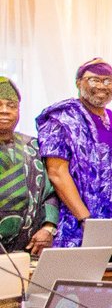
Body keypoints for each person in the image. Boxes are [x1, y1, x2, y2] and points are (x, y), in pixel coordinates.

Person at [36, 58, 112, 246]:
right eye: (94, 80)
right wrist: (85, 219)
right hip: (77, 225)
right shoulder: (61, 119)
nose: (102, 86)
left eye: (108, 81)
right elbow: (57, 173)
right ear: (78, 83)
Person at [0, 76, 57, 256]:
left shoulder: (34, 146)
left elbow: (51, 193)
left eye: (11, 105)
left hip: (27, 250)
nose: (4, 111)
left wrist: (48, 227)